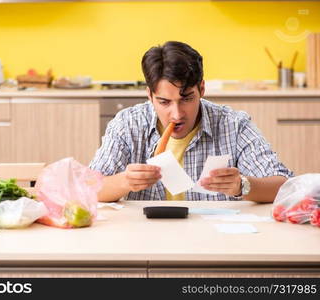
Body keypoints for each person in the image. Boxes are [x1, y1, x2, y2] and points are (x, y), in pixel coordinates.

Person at [89, 41, 293, 203]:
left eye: (186, 99)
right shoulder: (127, 124)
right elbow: (88, 188)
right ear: (150, 95)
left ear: (201, 90)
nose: (177, 114)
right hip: (148, 239)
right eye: (164, 102)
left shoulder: (233, 124)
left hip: (215, 238)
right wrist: (124, 181)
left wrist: (243, 185)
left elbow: (285, 185)